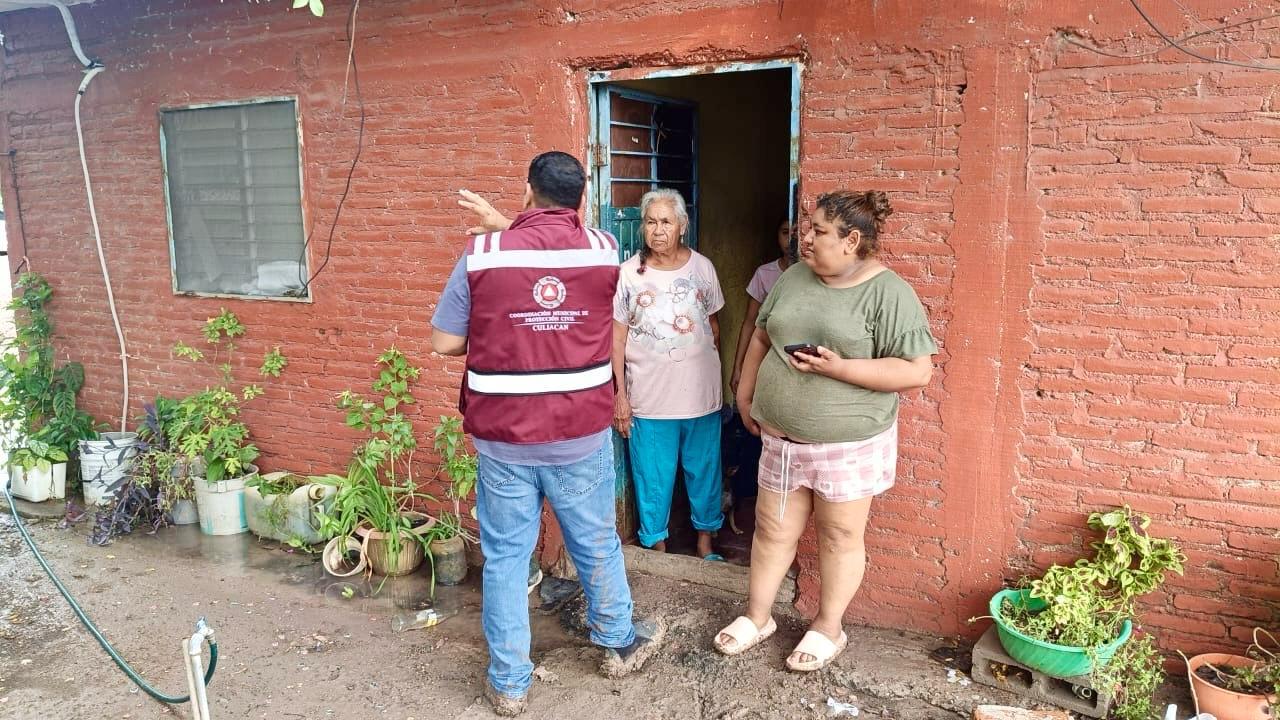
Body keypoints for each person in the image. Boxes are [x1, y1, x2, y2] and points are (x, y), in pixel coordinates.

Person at [431, 152, 666, 717]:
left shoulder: (482, 256)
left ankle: (510, 684)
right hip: (578, 433)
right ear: (582, 199)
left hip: (504, 437)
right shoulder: (603, 249)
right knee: (596, 541)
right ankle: (618, 641)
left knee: (507, 558)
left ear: (526, 191)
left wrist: (502, 321)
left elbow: (445, 343)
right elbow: (556, 249)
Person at [711, 190, 937, 672]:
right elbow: (762, 335)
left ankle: (829, 628)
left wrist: (840, 368)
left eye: (818, 231)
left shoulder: (888, 292)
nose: (805, 239)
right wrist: (746, 394)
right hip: (781, 440)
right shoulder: (793, 277)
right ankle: (758, 617)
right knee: (772, 530)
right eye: (806, 229)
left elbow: (917, 371)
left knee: (838, 535)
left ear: (851, 240)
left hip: (848, 444)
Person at [611, 188, 726, 561]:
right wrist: (620, 395)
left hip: (700, 396)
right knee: (652, 476)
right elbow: (617, 339)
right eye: (650, 222)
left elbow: (714, 328)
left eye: (666, 222)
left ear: (682, 226)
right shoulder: (628, 275)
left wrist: (714, 378)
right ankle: (656, 544)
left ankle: (705, 542)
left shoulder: (702, 268)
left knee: (704, 471)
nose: (657, 230)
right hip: (649, 397)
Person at [730, 218, 793, 395]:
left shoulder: (812, 274)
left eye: (796, 233)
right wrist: (738, 366)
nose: (790, 239)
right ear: (777, 236)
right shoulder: (765, 273)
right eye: (785, 233)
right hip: (767, 357)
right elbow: (750, 322)